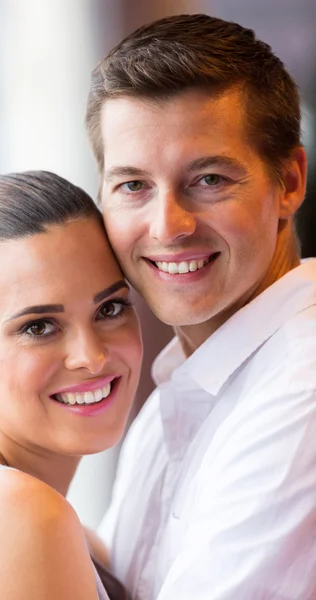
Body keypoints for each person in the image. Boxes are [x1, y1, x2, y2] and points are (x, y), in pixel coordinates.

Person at [85, 13, 316, 600]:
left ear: (288, 182)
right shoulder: (174, 400)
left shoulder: (302, 388)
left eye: (208, 179)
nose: (168, 227)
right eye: (133, 185)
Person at [0, 170, 143, 599]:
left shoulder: (69, 535)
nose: (91, 356)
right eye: (39, 326)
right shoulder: (9, 516)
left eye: (110, 308)